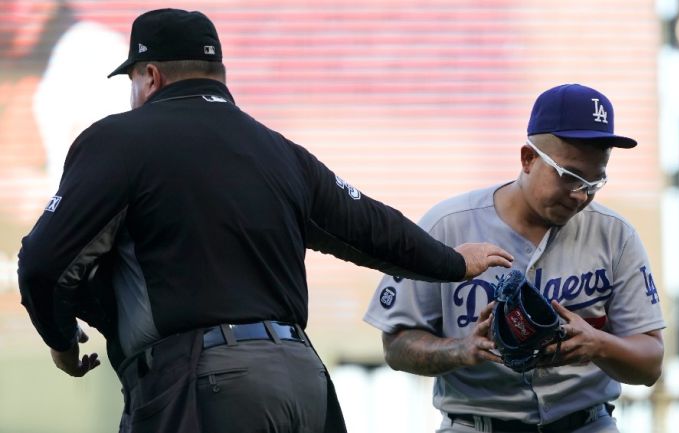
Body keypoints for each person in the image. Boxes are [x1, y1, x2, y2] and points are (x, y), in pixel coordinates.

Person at [16, 8, 513, 433]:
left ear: (150, 76)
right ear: (219, 76)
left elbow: (41, 262)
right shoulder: (279, 152)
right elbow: (371, 226)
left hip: (204, 384)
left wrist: (60, 340)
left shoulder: (119, 140)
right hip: (302, 381)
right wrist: (452, 262)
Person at [364, 83, 665, 433]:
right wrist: (461, 349)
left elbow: (651, 363)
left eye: (594, 182)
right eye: (569, 176)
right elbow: (396, 345)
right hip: (476, 424)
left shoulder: (615, 234)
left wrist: (599, 345)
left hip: (587, 423)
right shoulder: (448, 225)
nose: (580, 195)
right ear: (528, 158)